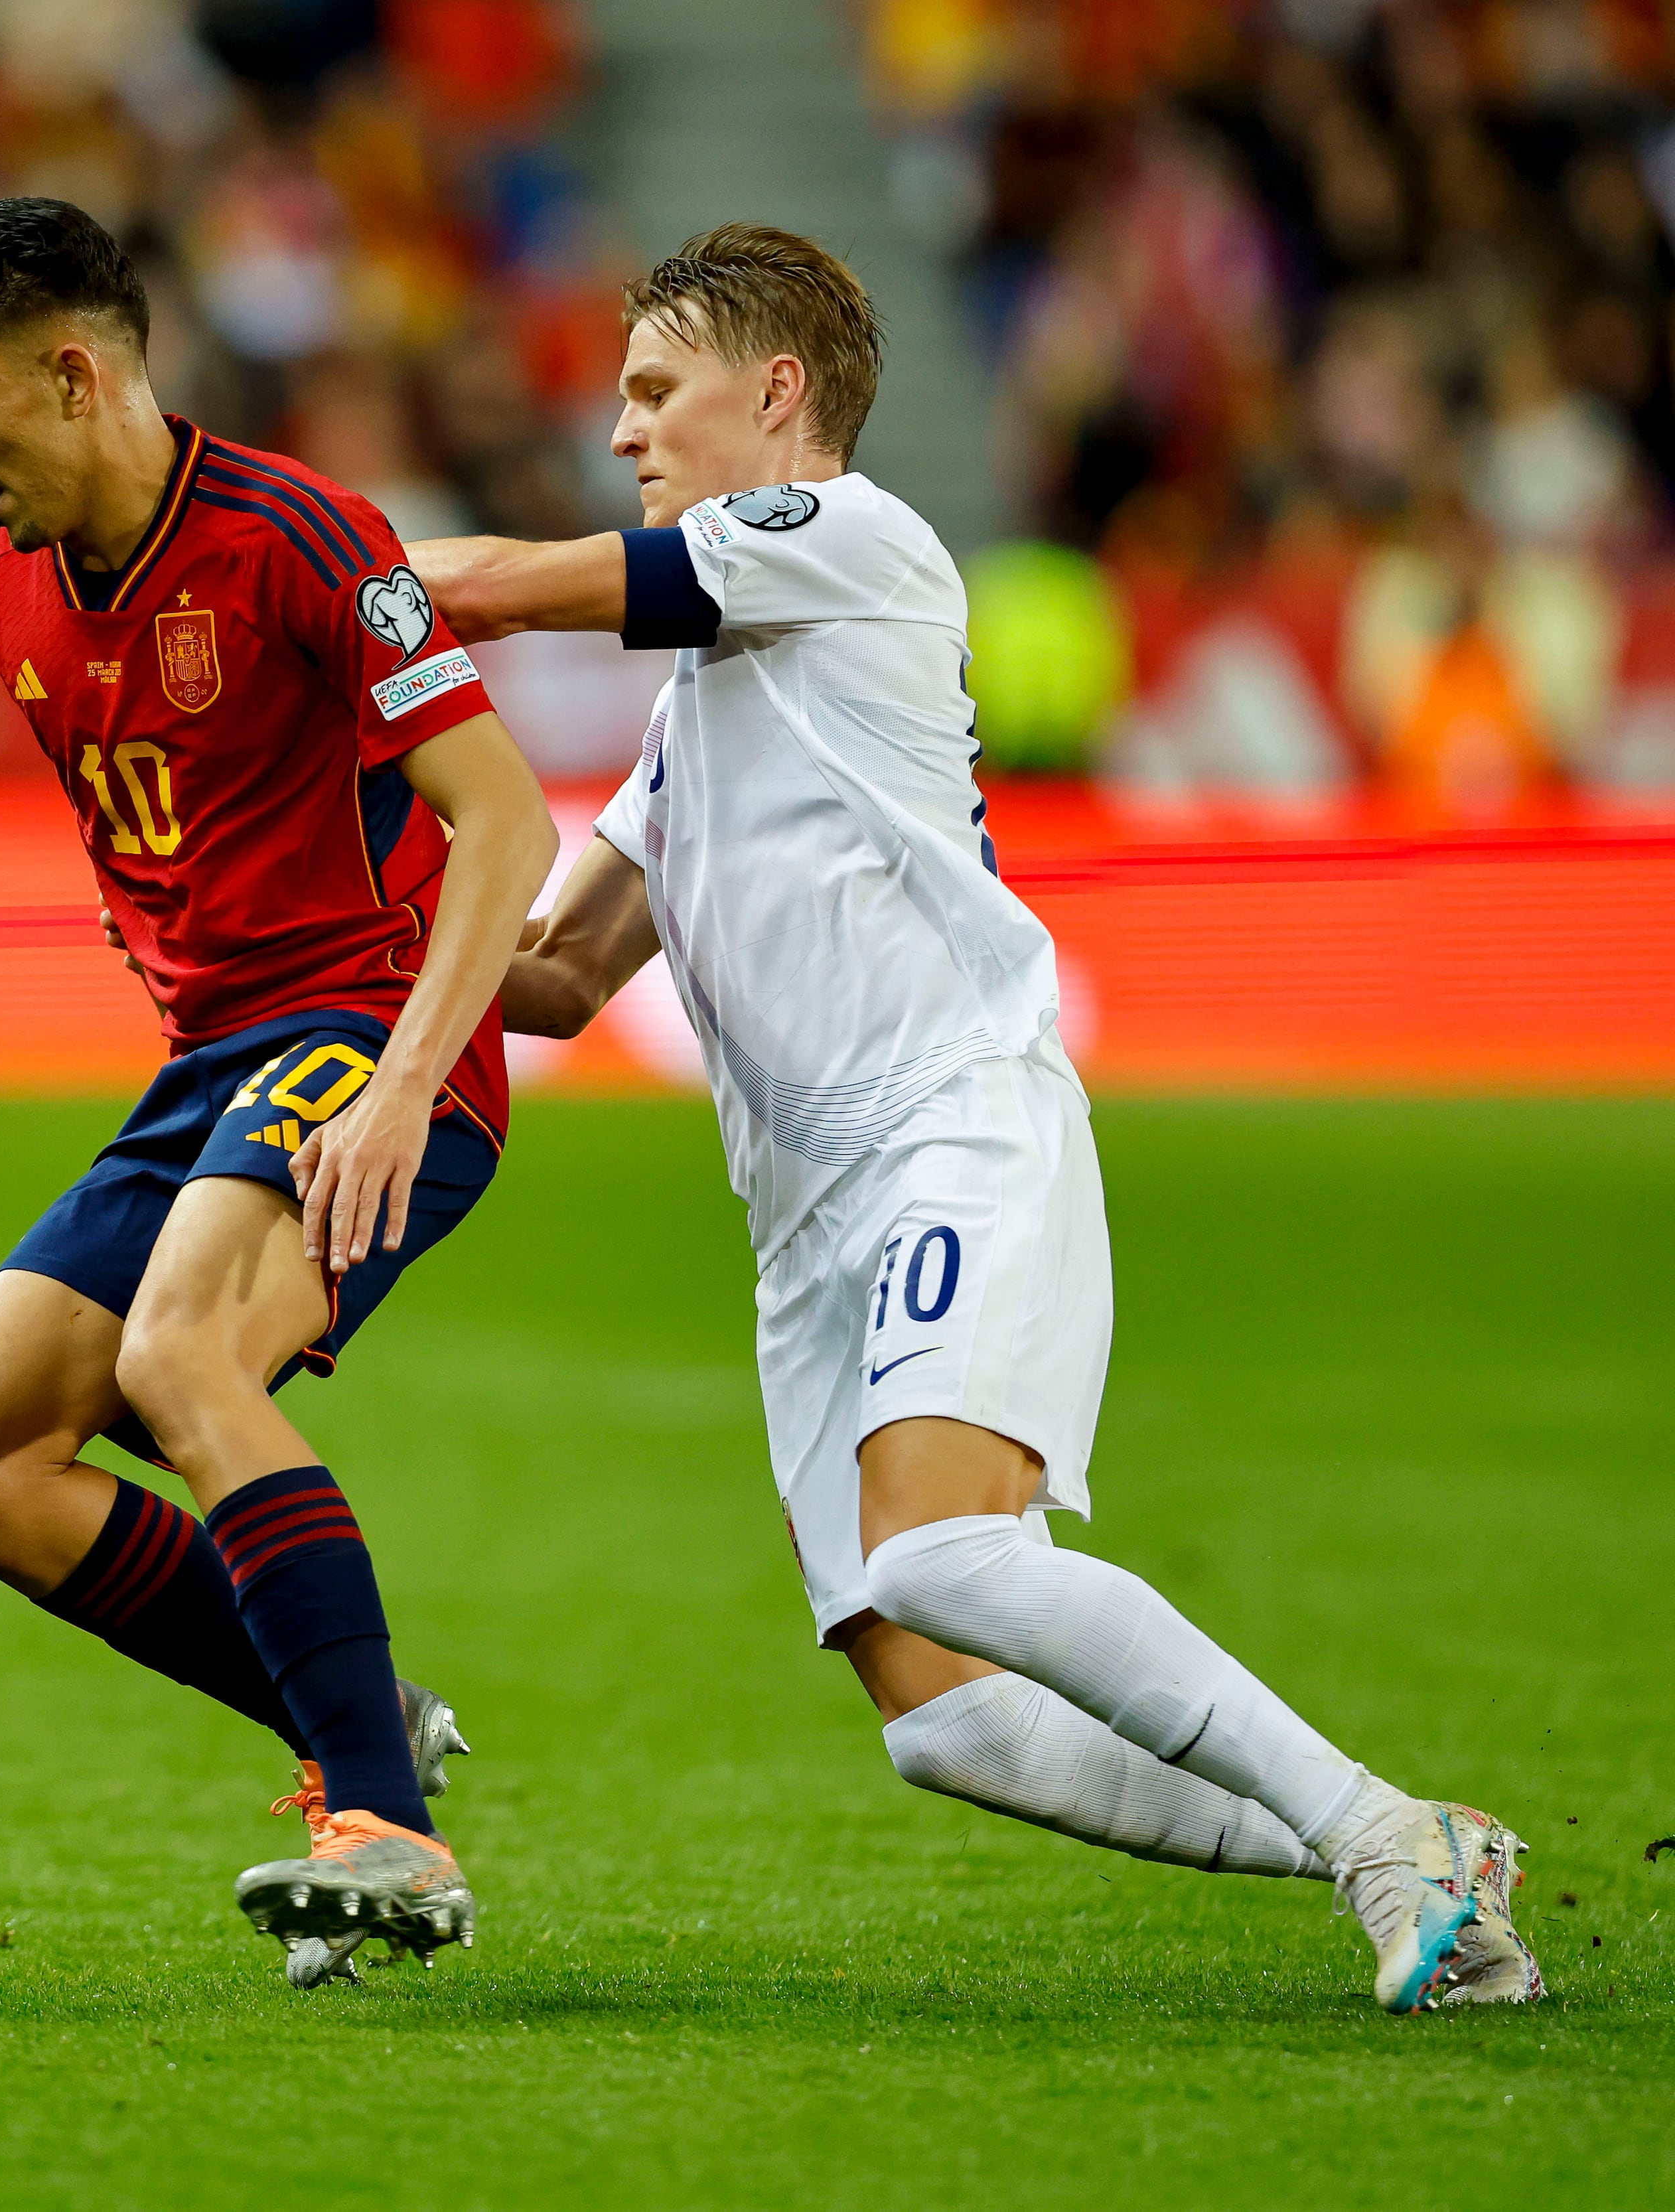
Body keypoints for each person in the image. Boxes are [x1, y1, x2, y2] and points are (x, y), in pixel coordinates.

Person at [409, 223, 1539, 2012]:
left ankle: (1381, 1843)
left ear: (775, 392)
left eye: (654, 390)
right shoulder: (700, 712)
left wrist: (314, 589)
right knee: (945, 1727)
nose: (622, 430)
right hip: (806, 1233)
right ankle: (1404, 1837)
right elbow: (553, 981)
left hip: (951, 1121)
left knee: (949, 1548)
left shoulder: (842, 541)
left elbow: (481, 590)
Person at [0, 198, 557, 1984]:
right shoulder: (1, 579)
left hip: (378, 1027)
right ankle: (355, 1716)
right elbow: (143, 834)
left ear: (78, 372)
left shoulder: (309, 537)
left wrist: (408, 1081)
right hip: (212, 1068)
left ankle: (387, 1829)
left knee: (178, 1360)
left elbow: (507, 819)